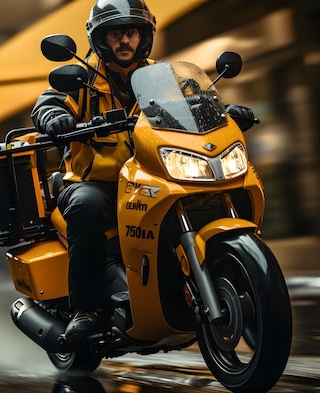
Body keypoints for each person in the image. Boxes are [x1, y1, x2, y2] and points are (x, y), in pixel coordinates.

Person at [32, 0, 257, 342]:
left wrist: (226, 112)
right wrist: (53, 117)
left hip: (153, 174)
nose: (125, 41)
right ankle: (86, 309)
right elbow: (48, 102)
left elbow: (198, 106)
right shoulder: (83, 82)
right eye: (115, 34)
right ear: (100, 40)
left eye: (132, 33)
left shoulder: (163, 78)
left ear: (145, 37)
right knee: (85, 208)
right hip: (98, 182)